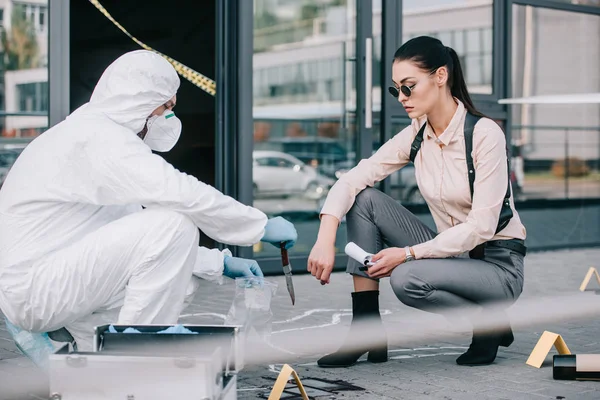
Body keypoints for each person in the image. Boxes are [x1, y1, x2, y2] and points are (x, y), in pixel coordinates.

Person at [0, 50, 297, 356]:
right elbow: (178, 191)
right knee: (172, 225)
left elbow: (133, 244)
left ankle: (94, 369)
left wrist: (217, 263)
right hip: (36, 289)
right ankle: (135, 361)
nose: (169, 115)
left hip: (47, 281)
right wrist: (257, 225)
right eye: (165, 106)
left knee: (177, 265)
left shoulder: (90, 136)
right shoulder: (97, 138)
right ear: (139, 100)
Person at [307, 36, 527, 368]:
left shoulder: (484, 135)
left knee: (406, 279)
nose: (402, 98)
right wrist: (325, 239)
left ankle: (488, 322)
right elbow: (353, 178)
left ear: (440, 76)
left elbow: (482, 227)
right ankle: (366, 332)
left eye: (409, 87)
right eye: (397, 90)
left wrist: (407, 254)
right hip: (451, 254)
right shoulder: (416, 134)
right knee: (363, 198)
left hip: (497, 265)